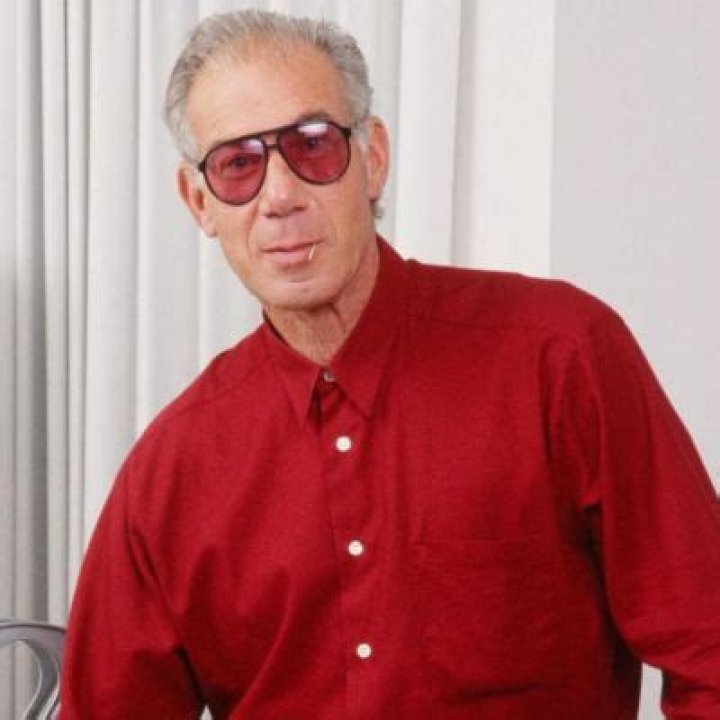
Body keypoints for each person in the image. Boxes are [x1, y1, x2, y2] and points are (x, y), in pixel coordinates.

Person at [59, 9, 720, 719]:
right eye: (238, 165)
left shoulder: (559, 358)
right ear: (200, 201)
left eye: (313, 146)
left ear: (372, 158)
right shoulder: (171, 472)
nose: (279, 197)